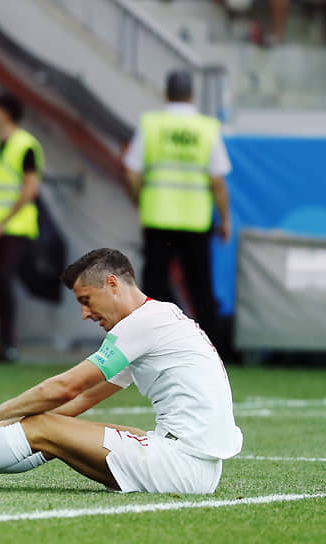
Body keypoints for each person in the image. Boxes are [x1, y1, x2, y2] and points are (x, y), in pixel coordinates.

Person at [0, 248, 243, 494]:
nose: (85, 314)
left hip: (182, 466)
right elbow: (81, 401)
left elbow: (67, 387)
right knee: (50, 429)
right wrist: (11, 427)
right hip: (193, 466)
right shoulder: (158, 318)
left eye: (86, 300)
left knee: (45, 428)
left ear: (112, 284)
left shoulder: (142, 325)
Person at [123, 70, 232, 350]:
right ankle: (212, 350)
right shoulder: (206, 128)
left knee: (154, 286)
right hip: (195, 221)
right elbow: (217, 182)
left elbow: (132, 173)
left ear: (166, 93)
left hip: (158, 217)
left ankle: (154, 345)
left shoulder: (152, 125)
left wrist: (139, 201)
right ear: (191, 94)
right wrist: (225, 219)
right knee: (201, 288)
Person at [0, 92, 44, 362]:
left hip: (16, 227)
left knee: (3, 278)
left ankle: (8, 341)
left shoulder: (26, 145)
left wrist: (1, 225)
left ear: (4, 113)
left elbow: (29, 189)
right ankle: (1, 342)